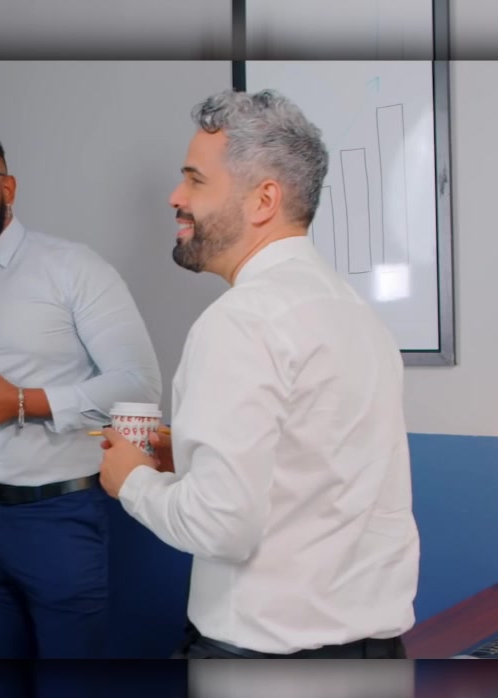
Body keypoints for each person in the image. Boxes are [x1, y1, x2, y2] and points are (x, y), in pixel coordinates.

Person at [98, 88, 420, 659]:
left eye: (195, 180)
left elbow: (220, 525)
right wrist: (191, 462)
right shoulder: (358, 315)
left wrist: (132, 481)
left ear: (263, 200)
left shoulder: (241, 320)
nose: (176, 197)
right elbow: (311, 473)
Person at [0, 127, 162, 665]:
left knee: (68, 694)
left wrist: (23, 402)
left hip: (56, 513)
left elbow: (138, 384)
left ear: (8, 187)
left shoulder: (73, 268)